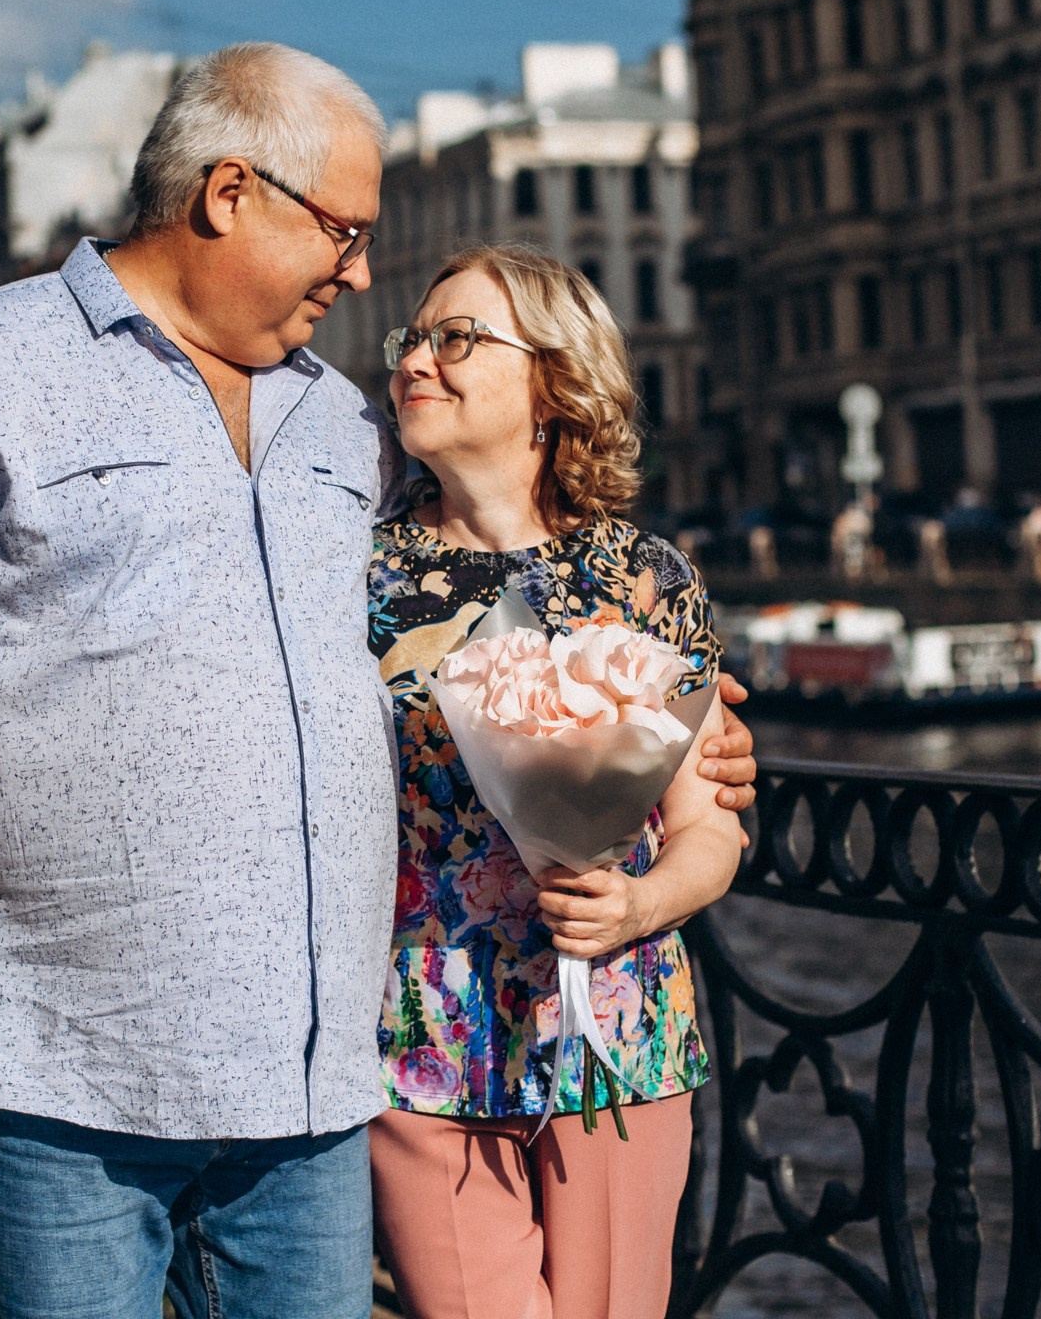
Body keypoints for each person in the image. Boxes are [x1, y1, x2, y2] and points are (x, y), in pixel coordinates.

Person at [0, 43, 759, 1318]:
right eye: (344, 234)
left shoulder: (345, 430)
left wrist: (697, 734)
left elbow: (529, 627)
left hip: (313, 1086)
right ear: (230, 194)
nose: (358, 277)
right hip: (63, 1068)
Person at [365, 247, 748, 1319]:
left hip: (620, 1033)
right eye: (412, 339)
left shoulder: (645, 576)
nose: (416, 362)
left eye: (458, 338)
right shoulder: (360, 581)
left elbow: (708, 826)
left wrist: (639, 901)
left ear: (553, 382)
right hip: (424, 1038)